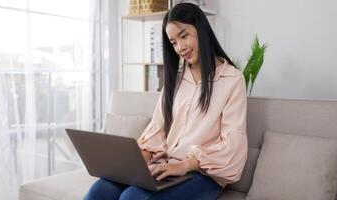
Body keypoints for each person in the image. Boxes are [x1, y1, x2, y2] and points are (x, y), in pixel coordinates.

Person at [84, 3, 248, 200]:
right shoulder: (175, 80)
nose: (180, 47)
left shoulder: (232, 79)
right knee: (100, 190)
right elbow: (158, 128)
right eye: (173, 42)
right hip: (166, 164)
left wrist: (184, 165)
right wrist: (141, 159)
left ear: (201, 29)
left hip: (203, 174)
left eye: (184, 35)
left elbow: (232, 145)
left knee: (132, 197)